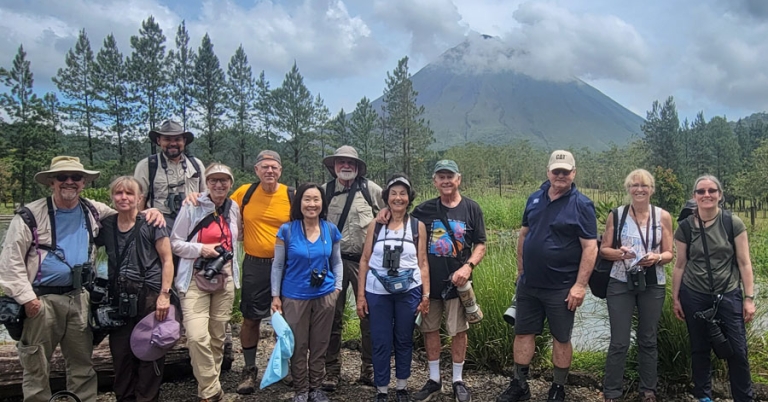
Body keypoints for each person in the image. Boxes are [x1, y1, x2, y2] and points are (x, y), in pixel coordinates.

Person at [0, 156, 162, 402]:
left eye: (75, 177)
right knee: (36, 365)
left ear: (83, 182)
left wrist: (151, 211)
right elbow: (9, 262)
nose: (69, 182)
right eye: (62, 177)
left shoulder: (93, 210)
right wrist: (27, 299)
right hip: (41, 300)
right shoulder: (29, 215)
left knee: (82, 365)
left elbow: (128, 211)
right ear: (51, 182)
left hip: (80, 298)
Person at [497, 150, 597, 402]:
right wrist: (520, 272)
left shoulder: (582, 204)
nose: (561, 175)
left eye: (566, 171)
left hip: (562, 288)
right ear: (548, 172)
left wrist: (580, 285)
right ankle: (520, 384)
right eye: (556, 171)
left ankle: (558, 387)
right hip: (529, 285)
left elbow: (590, 247)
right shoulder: (534, 199)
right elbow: (523, 236)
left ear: (574, 173)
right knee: (523, 334)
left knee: (561, 338)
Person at [403, 160, 487, 402]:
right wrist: (386, 213)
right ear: (435, 182)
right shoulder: (423, 210)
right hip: (429, 283)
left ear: (458, 179)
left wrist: (468, 267)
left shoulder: (472, 209)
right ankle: (434, 379)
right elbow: (402, 222)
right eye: (441, 177)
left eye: (450, 176)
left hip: (458, 284)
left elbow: (480, 243)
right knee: (429, 329)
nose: (446, 181)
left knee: (458, 330)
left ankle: (458, 380)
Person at [672, 175, 755, 402]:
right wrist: (676, 298)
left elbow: (744, 262)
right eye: (701, 191)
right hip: (694, 294)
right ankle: (704, 397)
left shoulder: (732, 223)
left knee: (737, 350)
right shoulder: (685, 228)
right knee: (699, 349)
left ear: (720, 194)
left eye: (711, 190)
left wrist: (749, 298)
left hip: (728, 293)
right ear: (694, 196)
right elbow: (680, 265)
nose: (706, 195)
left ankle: (743, 398)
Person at [95, 176, 175, 402]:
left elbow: (167, 260)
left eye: (129, 193)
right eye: (119, 193)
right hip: (118, 297)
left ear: (140, 198)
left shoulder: (152, 224)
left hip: (148, 295)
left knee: (150, 353)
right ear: (112, 197)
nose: (124, 198)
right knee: (121, 356)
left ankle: (147, 398)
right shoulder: (107, 226)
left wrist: (164, 295)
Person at [599, 170, 673, 402]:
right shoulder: (617, 215)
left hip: (652, 282)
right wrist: (620, 254)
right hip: (621, 281)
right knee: (619, 340)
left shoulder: (663, 216)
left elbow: (670, 253)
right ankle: (612, 392)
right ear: (628, 188)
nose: (639, 189)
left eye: (644, 185)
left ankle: (648, 390)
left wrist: (657, 258)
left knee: (648, 338)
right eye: (634, 185)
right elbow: (604, 250)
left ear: (651, 189)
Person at [171, 163, 241, 402]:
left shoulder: (233, 208)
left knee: (217, 336)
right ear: (206, 183)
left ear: (231, 184)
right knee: (197, 336)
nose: (219, 185)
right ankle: (213, 390)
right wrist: (202, 249)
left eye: (224, 181)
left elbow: (235, 241)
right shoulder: (192, 206)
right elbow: (175, 243)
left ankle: (207, 392)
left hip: (225, 276)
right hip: (194, 276)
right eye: (213, 181)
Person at [357, 174, 430, 402]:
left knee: (404, 338)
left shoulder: (417, 227)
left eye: (403, 193)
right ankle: (381, 389)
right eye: (393, 193)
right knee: (380, 340)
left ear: (409, 198)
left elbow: (423, 262)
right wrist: (361, 296)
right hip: (377, 292)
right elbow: (365, 259)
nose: (398, 198)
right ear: (386, 197)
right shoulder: (376, 226)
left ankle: (401, 386)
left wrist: (426, 294)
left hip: (409, 290)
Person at [271, 183, 343, 402]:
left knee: (320, 343)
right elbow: (278, 265)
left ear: (322, 203)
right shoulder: (286, 230)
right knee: (298, 345)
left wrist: (337, 287)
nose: (312, 204)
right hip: (294, 296)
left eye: (316, 199)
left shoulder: (330, 229)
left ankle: (316, 388)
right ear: (299, 203)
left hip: (325, 295)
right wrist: (275, 295)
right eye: (307, 199)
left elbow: (336, 261)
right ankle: (301, 389)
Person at [230, 150, 294, 394]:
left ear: (280, 170)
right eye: (264, 167)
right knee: (251, 317)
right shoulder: (244, 193)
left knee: (286, 318)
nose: (269, 171)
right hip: (255, 263)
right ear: (256, 170)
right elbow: (222, 211)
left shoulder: (290, 195)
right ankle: (249, 369)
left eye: (274, 167)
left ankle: (284, 367)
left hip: (287, 265)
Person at [321, 145, 385, 390]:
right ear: (334, 166)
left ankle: (368, 367)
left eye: (351, 163)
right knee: (331, 316)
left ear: (357, 167)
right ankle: (332, 370)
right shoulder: (324, 191)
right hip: (332, 262)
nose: (346, 166)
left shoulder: (371, 190)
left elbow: (393, 210)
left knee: (368, 316)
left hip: (364, 262)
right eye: (341, 163)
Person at [134, 119, 206, 227]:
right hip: (157, 224)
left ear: (184, 141)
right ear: (159, 141)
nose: (173, 143)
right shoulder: (147, 165)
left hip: (192, 222)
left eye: (177, 139)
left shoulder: (196, 165)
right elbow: (139, 199)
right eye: (167, 139)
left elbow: (206, 195)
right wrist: (138, 226)